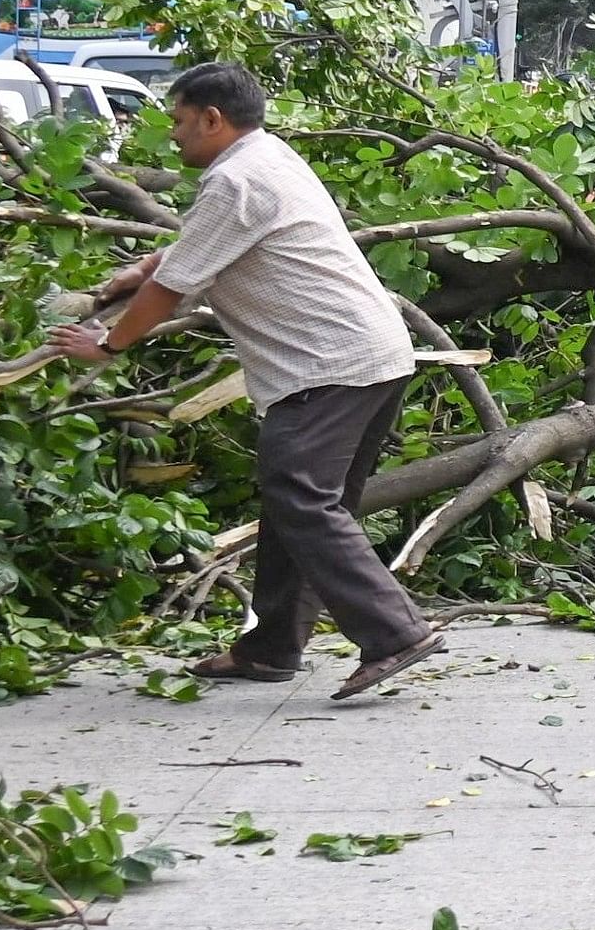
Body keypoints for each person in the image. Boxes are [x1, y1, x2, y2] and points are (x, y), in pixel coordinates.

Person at [51, 63, 444, 699]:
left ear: (213, 118)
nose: (173, 136)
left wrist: (107, 343)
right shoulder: (266, 157)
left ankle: (396, 633)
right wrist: (144, 269)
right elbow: (195, 252)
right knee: (304, 506)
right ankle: (269, 650)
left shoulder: (236, 178)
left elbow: (177, 287)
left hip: (330, 364)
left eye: (179, 122)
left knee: (299, 497)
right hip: (367, 355)